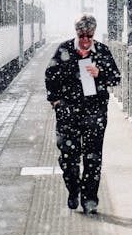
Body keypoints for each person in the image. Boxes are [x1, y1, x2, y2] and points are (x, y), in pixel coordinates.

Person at [44, 14, 121, 214]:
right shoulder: (64, 50)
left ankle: (89, 200)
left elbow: (115, 77)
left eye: (89, 36)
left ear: (94, 34)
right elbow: (50, 75)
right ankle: (73, 188)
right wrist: (56, 101)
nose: (86, 41)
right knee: (68, 157)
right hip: (68, 113)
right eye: (82, 36)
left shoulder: (102, 52)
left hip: (94, 113)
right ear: (76, 33)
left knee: (93, 158)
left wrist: (100, 73)